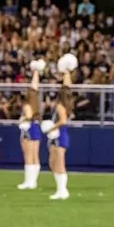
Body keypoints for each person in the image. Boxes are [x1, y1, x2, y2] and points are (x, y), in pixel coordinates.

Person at [44, 58, 76, 200]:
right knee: (53, 162)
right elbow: (68, 87)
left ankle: (62, 190)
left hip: (59, 135)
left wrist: (51, 127)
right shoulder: (66, 103)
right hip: (59, 135)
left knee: (58, 163)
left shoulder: (60, 106)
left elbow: (63, 120)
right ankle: (60, 189)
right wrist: (66, 72)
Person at [17, 62, 46, 190]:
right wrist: (36, 72)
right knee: (35, 156)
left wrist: (22, 119)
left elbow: (28, 116)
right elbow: (35, 87)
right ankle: (33, 181)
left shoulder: (28, 105)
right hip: (36, 128)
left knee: (28, 156)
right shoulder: (36, 104)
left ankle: (29, 181)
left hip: (28, 129)